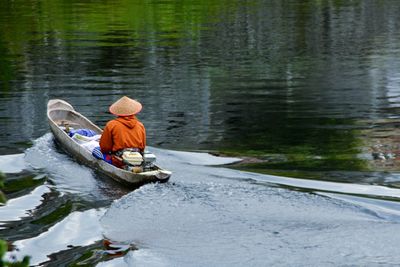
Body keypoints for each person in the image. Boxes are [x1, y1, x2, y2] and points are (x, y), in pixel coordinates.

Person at [99, 96, 146, 167]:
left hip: (118, 160)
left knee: (96, 151)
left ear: (118, 112)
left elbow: (105, 147)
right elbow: (142, 147)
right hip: (138, 158)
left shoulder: (111, 124)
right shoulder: (140, 125)